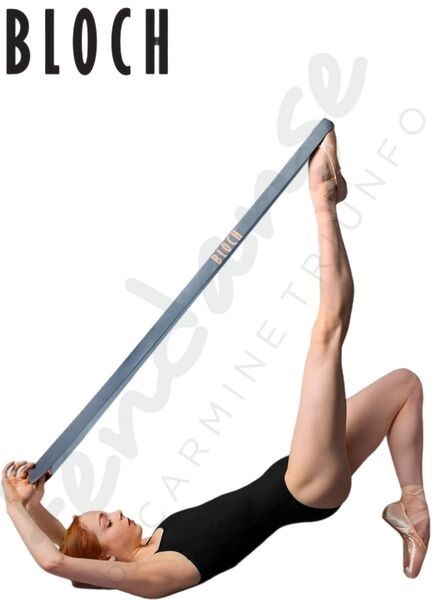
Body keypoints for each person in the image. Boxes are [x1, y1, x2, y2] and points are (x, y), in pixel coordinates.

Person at [3, 127, 430, 596]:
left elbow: (68, 548)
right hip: (304, 485)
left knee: (404, 387)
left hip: (293, 473)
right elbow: (55, 561)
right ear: (107, 559)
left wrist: (33, 505)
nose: (116, 512)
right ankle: (323, 199)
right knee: (326, 336)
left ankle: (411, 506)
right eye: (107, 521)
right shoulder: (152, 575)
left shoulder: (148, 545)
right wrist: (12, 507)